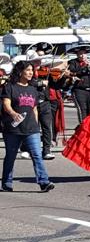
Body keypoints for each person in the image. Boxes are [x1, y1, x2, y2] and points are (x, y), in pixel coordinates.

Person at [2, 61, 55, 192]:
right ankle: (6, 182)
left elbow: (34, 109)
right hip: (13, 129)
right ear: (20, 72)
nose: (31, 72)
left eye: (32, 70)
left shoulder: (33, 89)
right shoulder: (10, 87)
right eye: (28, 70)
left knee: (37, 154)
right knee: (10, 156)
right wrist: (13, 114)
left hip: (31, 128)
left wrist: (36, 125)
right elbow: (6, 104)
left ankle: (44, 181)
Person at [67, 45, 90, 123]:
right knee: (82, 110)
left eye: (84, 54)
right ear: (77, 55)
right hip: (79, 90)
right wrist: (83, 67)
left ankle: (89, 128)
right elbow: (73, 71)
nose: (82, 56)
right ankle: (83, 127)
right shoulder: (73, 62)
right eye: (80, 54)